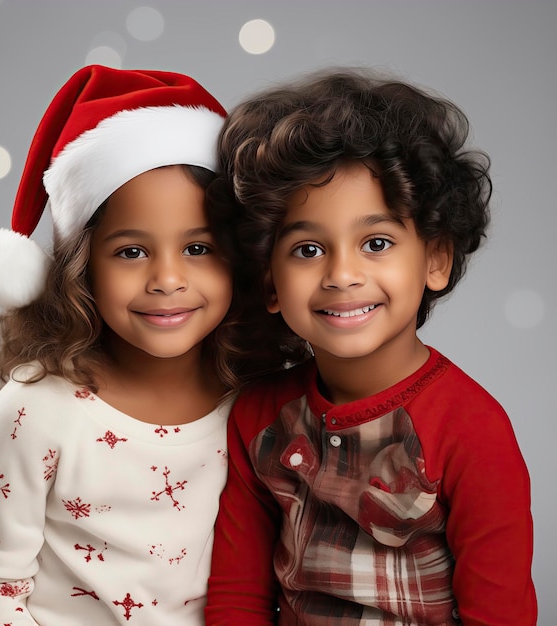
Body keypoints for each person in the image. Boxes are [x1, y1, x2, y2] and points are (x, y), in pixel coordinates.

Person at [205, 68, 537, 625]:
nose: (342, 274)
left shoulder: (472, 429)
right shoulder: (257, 418)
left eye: (376, 243)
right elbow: (237, 598)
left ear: (435, 259)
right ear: (269, 282)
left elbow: (500, 614)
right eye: (308, 249)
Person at [0, 65, 239, 626]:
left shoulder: (252, 397)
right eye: (131, 252)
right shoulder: (37, 408)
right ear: (80, 269)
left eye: (198, 249)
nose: (167, 279)